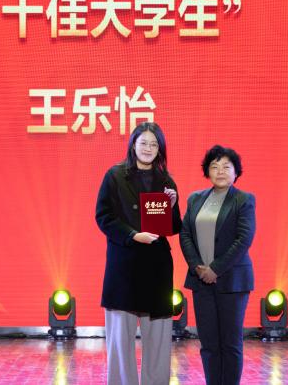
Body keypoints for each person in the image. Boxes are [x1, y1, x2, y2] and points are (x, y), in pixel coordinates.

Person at [96, 122, 183, 385]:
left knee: (158, 340)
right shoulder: (114, 176)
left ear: (160, 149)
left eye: (154, 144)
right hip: (124, 267)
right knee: (120, 341)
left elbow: (174, 227)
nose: (148, 148)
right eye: (143, 142)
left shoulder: (166, 180)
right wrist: (133, 235)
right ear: (133, 144)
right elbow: (104, 217)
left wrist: (172, 206)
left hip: (156, 268)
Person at [179, 145, 256, 385]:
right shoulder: (195, 199)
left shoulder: (243, 200)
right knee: (209, 343)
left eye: (226, 166)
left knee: (230, 343)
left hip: (232, 282)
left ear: (236, 172)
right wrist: (197, 267)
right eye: (214, 166)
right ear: (207, 171)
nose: (220, 171)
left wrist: (215, 269)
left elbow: (244, 239)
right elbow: (185, 234)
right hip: (201, 281)